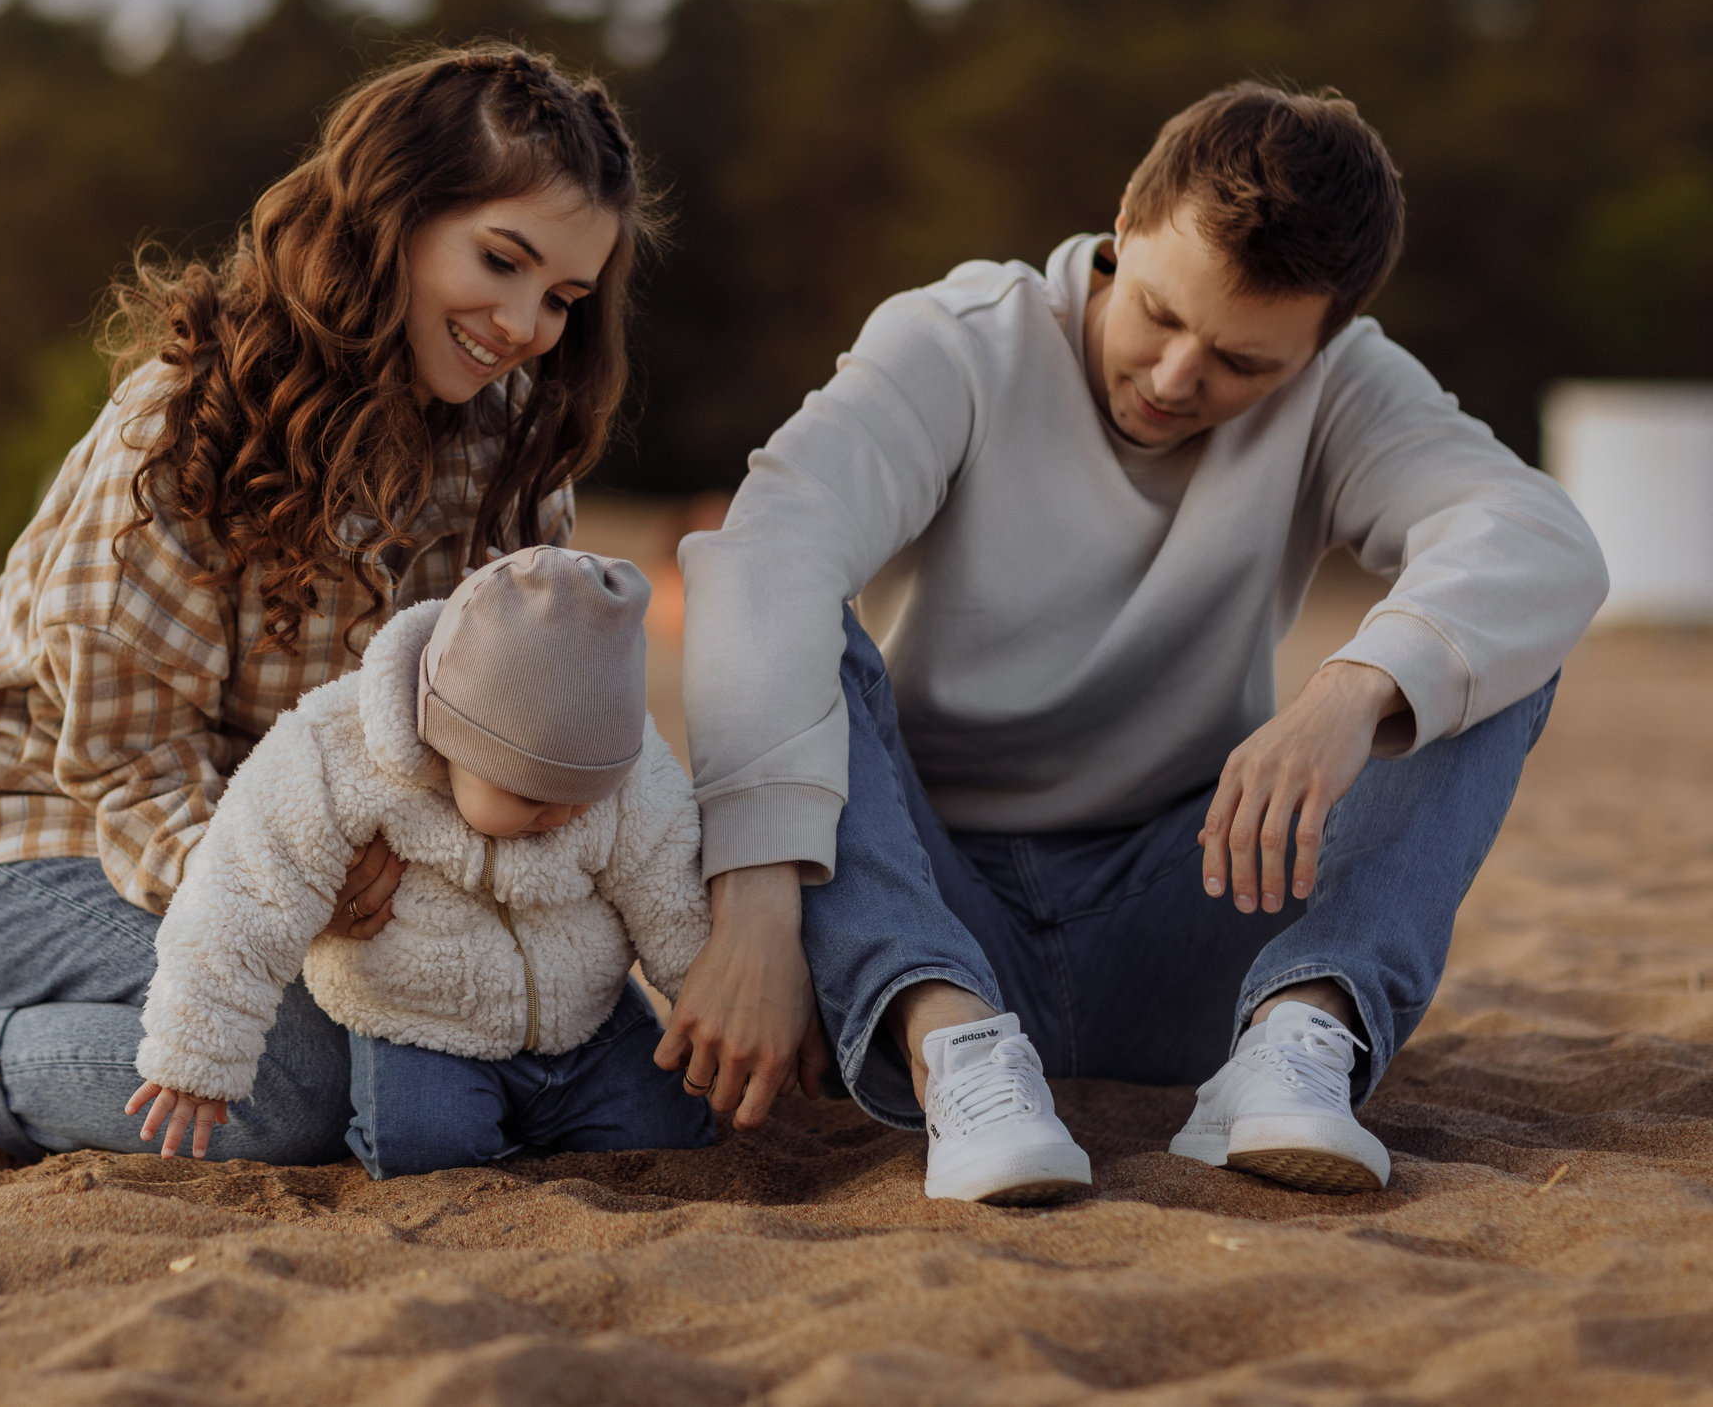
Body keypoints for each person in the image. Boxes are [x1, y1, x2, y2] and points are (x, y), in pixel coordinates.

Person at [0, 45, 657, 1165]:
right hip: (41, 827)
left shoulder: (511, 459)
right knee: (290, 1083)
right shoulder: (182, 428)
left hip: (307, 854)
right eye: (500, 261)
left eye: (562, 297)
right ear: (393, 216)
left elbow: (507, 729)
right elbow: (126, 765)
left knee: (462, 1035)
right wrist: (300, 892)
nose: (523, 323)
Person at [654, 82, 1608, 1203]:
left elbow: (1541, 538)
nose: (1173, 379)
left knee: (1486, 654)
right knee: (806, 610)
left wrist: (1352, 690)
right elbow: (767, 558)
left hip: (1196, 908)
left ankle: (1297, 1042)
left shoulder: (1346, 390)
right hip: (929, 908)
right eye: (1159, 313)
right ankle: (951, 1044)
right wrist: (760, 904)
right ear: (1122, 229)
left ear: (1322, 343)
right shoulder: (959, 340)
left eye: (1242, 363)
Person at [127, 546, 712, 1176]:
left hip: (588, 1018)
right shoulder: (332, 753)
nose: (566, 816)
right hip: (419, 1022)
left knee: (673, 1131)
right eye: (534, 797)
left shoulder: (630, 773)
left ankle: (542, 1123)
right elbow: (244, 891)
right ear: (450, 737)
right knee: (427, 1147)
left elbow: (670, 887)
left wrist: (708, 998)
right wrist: (199, 1055)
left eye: (587, 795)